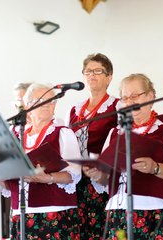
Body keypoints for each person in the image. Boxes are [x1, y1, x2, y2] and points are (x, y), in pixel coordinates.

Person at [86, 73, 163, 239]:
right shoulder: (115, 132)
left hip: (154, 212)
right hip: (117, 211)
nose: (130, 101)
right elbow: (106, 178)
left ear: (150, 96)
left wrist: (154, 168)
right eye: (125, 97)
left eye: (135, 96)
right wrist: (98, 174)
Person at [0, 83, 82, 239]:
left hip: (54, 214)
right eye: (41, 99)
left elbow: (74, 175)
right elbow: (7, 185)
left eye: (51, 100)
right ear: (28, 105)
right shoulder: (15, 135)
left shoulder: (63, 133)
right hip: (20, 214)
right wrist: (0, 176)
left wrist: (48, 178)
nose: (47, 103)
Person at [65, 53, 119, 239]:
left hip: (102, 180)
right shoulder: (74, 110)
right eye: (87, 71)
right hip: (77, 181)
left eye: (97, 71)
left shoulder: (117, 107)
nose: (91, 75)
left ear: (109, 77)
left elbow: (119, 145)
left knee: (102, 231)